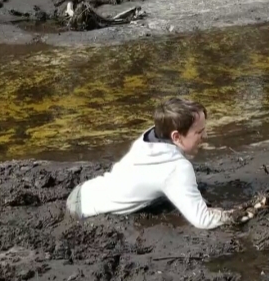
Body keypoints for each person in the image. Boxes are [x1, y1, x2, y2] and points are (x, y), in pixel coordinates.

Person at [65, 97, 234, 229]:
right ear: (176, 137)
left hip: (84, 190)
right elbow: (203, 220)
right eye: (199, 132)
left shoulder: (152, 135)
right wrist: (235, 215)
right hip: (83, 211)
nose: (205, 136)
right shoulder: (177, 169)